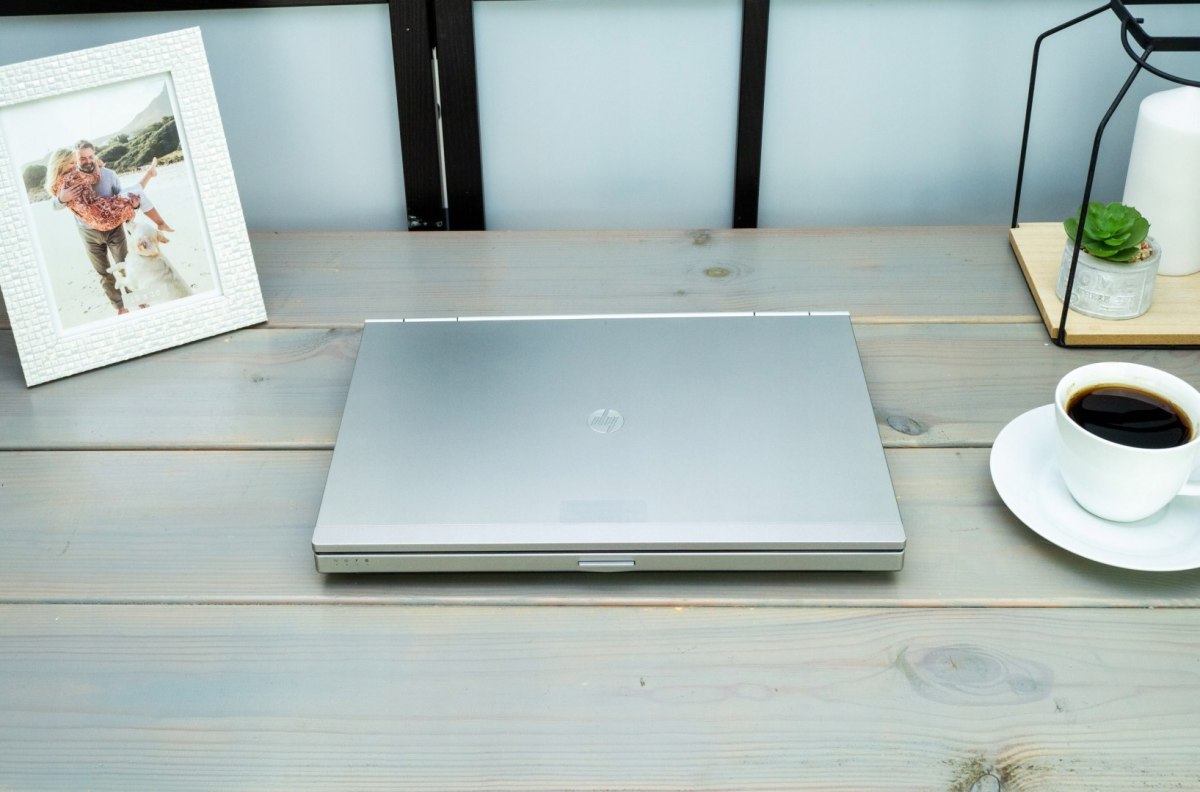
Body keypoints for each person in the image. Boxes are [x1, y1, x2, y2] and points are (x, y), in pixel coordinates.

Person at [47, 141, 173, 314]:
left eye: (90, 157)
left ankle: (137, 299)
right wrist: (62, 199)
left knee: (125, 265)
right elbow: (54, 205)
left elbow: (121, 198)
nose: (86, 161)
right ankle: (120, 307)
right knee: (103, 272)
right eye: (81, 159)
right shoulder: (69, 179)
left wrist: (135, 206)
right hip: (88, 233)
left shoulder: (108, 175)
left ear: (95, 155)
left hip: (113, 229)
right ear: (74, 159)